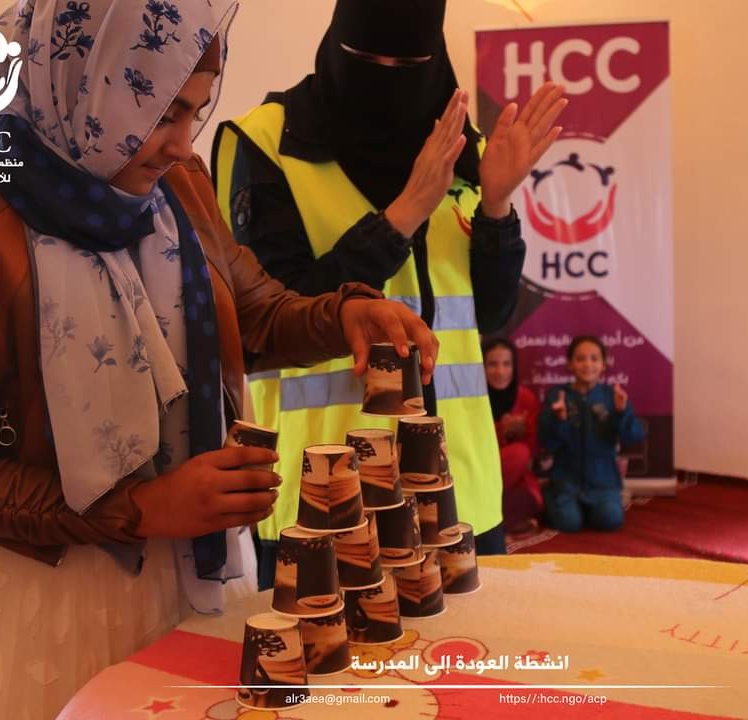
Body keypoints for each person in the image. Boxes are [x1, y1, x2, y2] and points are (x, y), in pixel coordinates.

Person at [0, 2, 437, 717]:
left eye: (195, 113)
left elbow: (252, 313)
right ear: (82, 88)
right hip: (29, 592)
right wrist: (139, 508)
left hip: (175, 568)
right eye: (162, 114)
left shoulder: (177, 192)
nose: (182, 144)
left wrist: (344, 314)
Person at [212, 0, 566, 576]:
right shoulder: (268, 143)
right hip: (329, 499)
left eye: (408, 64)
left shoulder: (460, 146)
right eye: (368, 57)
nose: (386, 77)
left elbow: (492, 315)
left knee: (476, 637)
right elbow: (270, 317)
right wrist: (403, 215)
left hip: (461, 493)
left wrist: (498, 204)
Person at [538, 336, 644, 532]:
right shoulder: (558, 396)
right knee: (569, 524)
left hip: (603, 481)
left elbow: (634, 437)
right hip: (566, 479)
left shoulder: (613, 396)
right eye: (580, 359)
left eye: (594, 359)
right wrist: (559, 420)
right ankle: (554, 497)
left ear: (603, 365)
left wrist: (621, 413)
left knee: (611, 520)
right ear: (570, 364)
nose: (588, 364)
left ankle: (588, 508)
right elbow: (547, 442)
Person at [483, 337, 543, 535]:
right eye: (492, 364)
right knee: (517, 453)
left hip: (515, 478)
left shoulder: (525, 398)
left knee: (521, 456)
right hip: (480, 474)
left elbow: (532, 450)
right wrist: (502, 431)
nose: (500, 371)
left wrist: (521, 431)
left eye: (506, 364)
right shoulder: (473, 400)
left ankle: (494, 521)